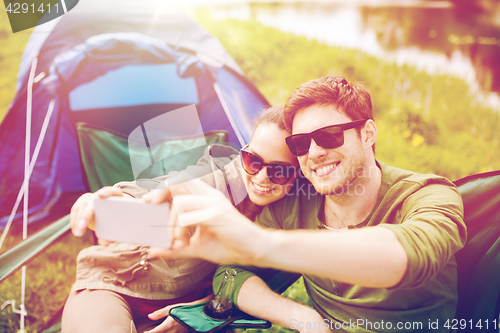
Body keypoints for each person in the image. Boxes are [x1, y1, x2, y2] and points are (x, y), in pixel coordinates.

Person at [149, 76, 467, 333]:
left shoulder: (429, 195)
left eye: (329, 136)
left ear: (368, 133)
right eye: (301, 143)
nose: (313, 153)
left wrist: (260, 243)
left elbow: (409, 256)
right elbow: (231, 274)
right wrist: (305, 320)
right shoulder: (297, 204)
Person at [62, 106, 328, 333]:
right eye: (253, 160)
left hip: (183, 313)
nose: (260, 178)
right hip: (113, 283)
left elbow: (245, 282)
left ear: (299, 174)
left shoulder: (292, 220)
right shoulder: (218, 176)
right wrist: (105, 205)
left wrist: (199, 313)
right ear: (243, 152)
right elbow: (161, 192)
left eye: (279, 171)